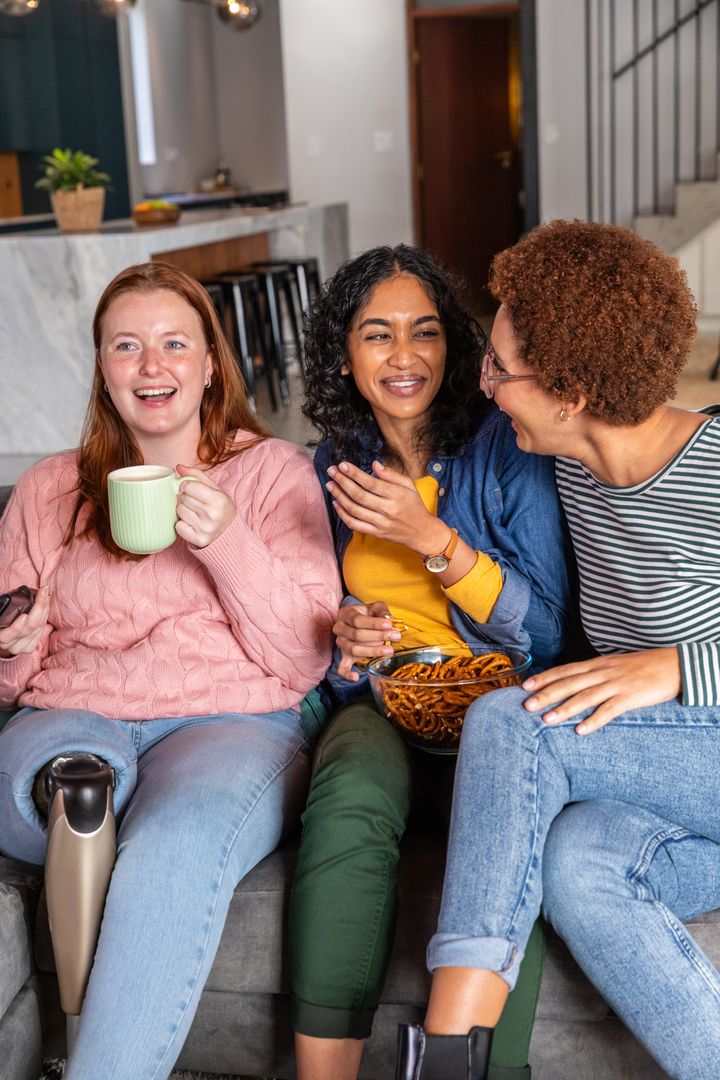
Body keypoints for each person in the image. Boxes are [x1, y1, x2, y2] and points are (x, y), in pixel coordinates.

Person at [0, 261, 341, 1080]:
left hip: (228, 724)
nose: (152, 366)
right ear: (104, 369)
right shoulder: (49, 491)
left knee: (172, 846)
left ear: (211, 364)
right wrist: (9, 649)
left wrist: (225, 539)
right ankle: (82, 799)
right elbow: (11, 675)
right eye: (127, 346)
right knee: (75, 783)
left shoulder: (272, 474)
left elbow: (303, 656)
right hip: (73, 717)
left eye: (173, 344)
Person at [398, 219, 720, 1080]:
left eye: (501, 367)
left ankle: (446, 1061)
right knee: (580, 861)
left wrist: (680, 667)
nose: (485, 382)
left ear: (571, 392)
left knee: (517, 722)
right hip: (682, 785)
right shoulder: (564, 467)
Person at [287, 244, 576, 1080]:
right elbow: (330, 623)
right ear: (344, 352)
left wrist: (435, 542)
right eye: (377, 335)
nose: (404, 357)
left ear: (454, 344)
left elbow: (548, 631)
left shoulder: (505, 449)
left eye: (425, 333)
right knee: (345, 796)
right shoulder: (334, 462)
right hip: (386, 703)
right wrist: (347, 639)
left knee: (507, 838)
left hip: (500, 710)